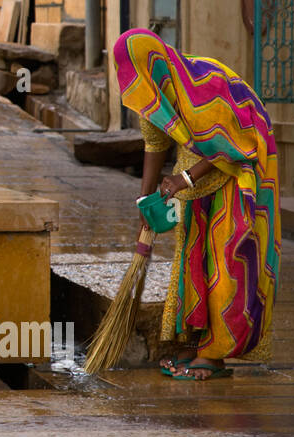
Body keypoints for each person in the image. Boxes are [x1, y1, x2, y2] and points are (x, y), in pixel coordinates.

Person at [113, 29, 281, 381]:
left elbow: (232, 144)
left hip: (242, 165)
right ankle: (196, 341)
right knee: (192, 253)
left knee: (227, 255)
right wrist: (145, 200)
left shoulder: (204, 83)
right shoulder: (152, 92)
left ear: (153, 64)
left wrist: (183, 180)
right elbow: (154, 144)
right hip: (197, 168)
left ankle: (216, 355)